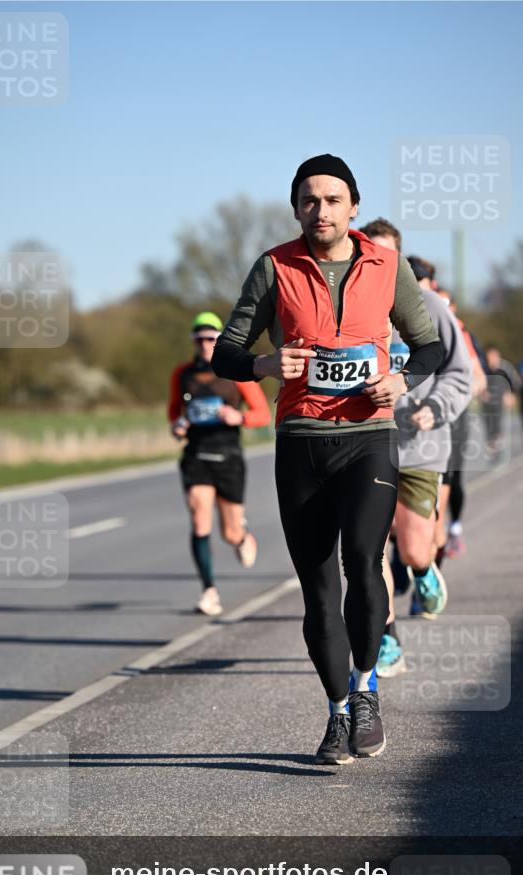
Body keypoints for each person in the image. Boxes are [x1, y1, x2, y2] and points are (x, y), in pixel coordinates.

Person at [212, 155, 443, 764]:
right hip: (301, 443)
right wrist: (263, 365)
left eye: (333, 200)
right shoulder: (274, 268)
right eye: (310, 201)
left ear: (353, 207)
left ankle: (367, 691)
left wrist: (399, 378)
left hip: (368, 436)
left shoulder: (387, 266)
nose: (321, 211)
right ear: (296, 208)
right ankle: (338, 710)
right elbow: (227, 353)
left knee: (365, 564)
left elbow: (428, 347)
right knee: (318, 590)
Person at [361, 224, 472, 675]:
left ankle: (425, 571)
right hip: (367, 444)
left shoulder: (429, 308)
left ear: (401, 262)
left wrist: (435, 407)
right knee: (369, 552)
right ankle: (386, 639)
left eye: (390, 259)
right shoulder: (351, 311)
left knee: (412, 550)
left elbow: (459, 373)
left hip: (422, 447)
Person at [168, 311, 271, 615]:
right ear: (193, 342)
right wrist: (177, 426)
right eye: (199, 339)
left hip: (228, 457)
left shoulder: (235, 370)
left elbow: (262, 414)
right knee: (199, 515)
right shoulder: (182, 374)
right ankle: (209, 591)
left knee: (229, 533)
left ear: (219, 340)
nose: (204, 344)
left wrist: (238, 417)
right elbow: (175, 411)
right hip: (196, 455)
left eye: (211, 338)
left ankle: (242, 535)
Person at [431, 286, 487, 563]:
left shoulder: (463, 335)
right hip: (416, 421)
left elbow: (479, 379)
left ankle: (449, 532)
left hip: (453, 417)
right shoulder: (412, 326)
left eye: (445, 305)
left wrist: (457, 392)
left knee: (450, 481)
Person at [482, 345, 521, 461]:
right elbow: (477, 382)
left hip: (501, 402)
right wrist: (481, 393)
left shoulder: (505, 368)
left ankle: (497, 446)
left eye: (493, 357)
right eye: (489, 358)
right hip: (487, 403)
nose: (491, 361)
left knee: (498, 424)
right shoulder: (483, 368)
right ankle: (492, 446)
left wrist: (511, 394)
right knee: (489, 425)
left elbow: (515, 382)